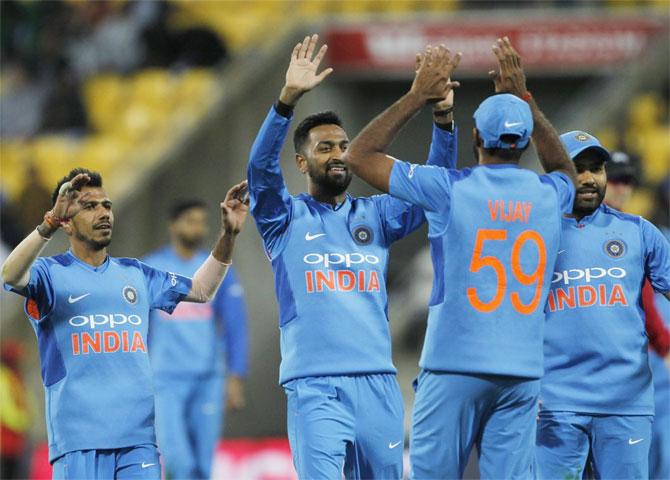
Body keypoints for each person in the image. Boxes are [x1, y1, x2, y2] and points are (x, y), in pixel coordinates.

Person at [344, 37, 577, 479]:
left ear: (474, 138)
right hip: (522, 372)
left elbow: (359, 154)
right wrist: (524, 96)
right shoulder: (550, 194)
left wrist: (419, 96)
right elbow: (564, 168)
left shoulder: (449, 188)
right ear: (526, 142)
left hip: (453, 365)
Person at [247, 34, 458, 479]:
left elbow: (435, 189)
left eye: (343, 146)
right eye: (325, 148)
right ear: (302, 164)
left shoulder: (375, 215)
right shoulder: (282, 219)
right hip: (315, 387)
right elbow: (260, 169)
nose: (339, 155)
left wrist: (443, 120)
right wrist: (287, 99)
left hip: (378, 383)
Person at [1, 168, 248, 479]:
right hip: (79, 442)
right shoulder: (50, 274)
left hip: (138, 440)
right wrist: (48, 223)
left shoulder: (136, 273)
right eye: (89, 206)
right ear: (66, 220)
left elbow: (202, 289)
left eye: (107, 205)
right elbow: (10, 275)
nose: (103, 212)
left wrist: (229, 235)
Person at [536, 131, 670, 479]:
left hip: (625, 405)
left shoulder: (639, 231)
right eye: (578, 169)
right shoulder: (532, 234)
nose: (589, 179)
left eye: (596, 168)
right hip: (555, 406)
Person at [142, 198, 249, 480]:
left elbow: (235, 323)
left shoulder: (216, 268)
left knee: (203, 464)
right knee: (177, 460)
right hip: (165, 380)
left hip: (207, 378)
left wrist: (235, 376)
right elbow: (139, 328)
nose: (198, 228)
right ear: (173, 225)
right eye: (191, 221)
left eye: (202, 221)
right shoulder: (153, 269)